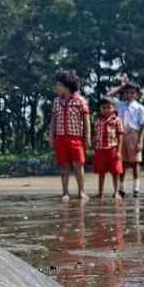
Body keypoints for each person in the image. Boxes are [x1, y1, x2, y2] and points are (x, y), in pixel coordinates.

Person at [50, 70, 91, 201]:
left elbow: (86, 120)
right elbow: (53, 120)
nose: (57, 87)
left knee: (78, 165)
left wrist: (88, 137)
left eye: (59, 85)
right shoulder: (57, 101)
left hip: (76, 138)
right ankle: (65, 192)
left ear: (66, 86)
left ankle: (81, 191)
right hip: (61, 137)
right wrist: (51, 136)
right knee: (64, 165)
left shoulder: (80, 100)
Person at [106, 76, 144, 197]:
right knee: (122, 163)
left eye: (132, 93)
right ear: (123, 93)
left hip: (134, 135)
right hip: (121, 135)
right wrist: (121, 86)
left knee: (135, 163)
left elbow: (143, 126)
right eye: (127, 92)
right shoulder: (119, 105)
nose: (129, 95)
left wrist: (140, 142)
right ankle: (121, 187)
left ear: (136, 95)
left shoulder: (140, 108)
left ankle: (136, 188)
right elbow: (108, 96)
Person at [92, 97, 123, 198]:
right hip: (100, 150)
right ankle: (100, 192)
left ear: (113, 108)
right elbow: (95, 135)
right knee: (101, 172)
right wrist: (93, 145)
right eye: (103, 108)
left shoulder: (117, 120)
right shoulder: (97, 121)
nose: (106, 110)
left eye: (109, 107)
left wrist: (119, 151)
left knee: (115, 172)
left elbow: (120, 136)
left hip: (113, 149)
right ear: (100, 109)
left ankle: (116, 192)